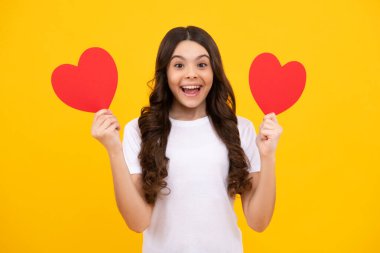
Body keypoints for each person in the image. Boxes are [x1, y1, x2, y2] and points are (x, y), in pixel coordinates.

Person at [91, 26, 283, 253]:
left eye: (202, 64)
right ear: (166, 73)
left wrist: (268, 155)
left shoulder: (240, 128)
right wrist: (113, 149)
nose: (191, 74)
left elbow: (258, 221)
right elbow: (138, 222)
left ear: (214, 72)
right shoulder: (141, 130)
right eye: (179, 65)